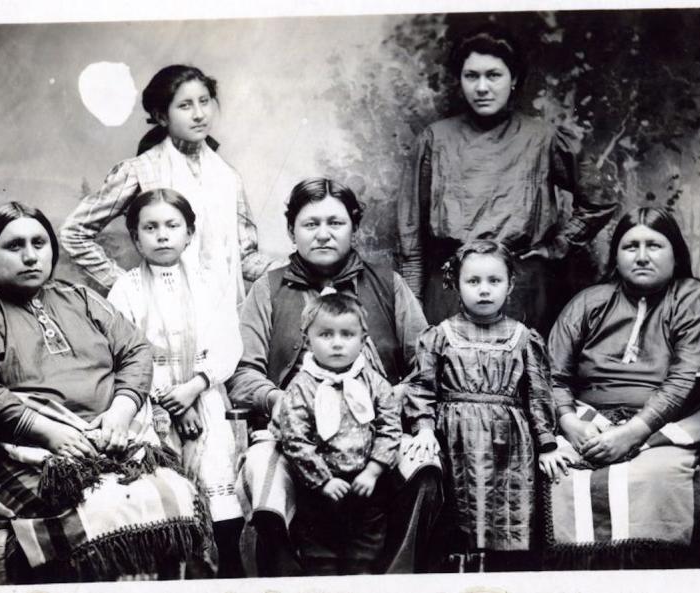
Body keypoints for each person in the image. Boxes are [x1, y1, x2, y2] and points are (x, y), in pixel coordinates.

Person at [0, 202, 215, 581]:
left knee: (176, 495)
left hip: (113, 440)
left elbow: (135, 351)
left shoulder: (80, 298)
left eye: (40, 243)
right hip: (30, 458)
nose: (31, 256)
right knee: (102, 504)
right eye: (14, 246)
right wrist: (50, 433)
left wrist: (121, 410)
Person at [227, 177, 441, 575]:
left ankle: (395, 581)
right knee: (263, 474)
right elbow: (242, 372)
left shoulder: (388, 285)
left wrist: (388, 404)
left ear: (354, 227)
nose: (323, 234)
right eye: (310, 224)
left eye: (335, 223)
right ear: (292, 230)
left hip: (379, 435)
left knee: (425, 469)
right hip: (294, 439)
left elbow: (426, 363)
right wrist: (280, 403)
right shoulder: (267, 289)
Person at [397, 24, 616, 335]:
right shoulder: (435, 140)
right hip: (450, 287)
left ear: (514, 79)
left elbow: (599, 198)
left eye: (494, 75)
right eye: (471, 76)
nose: (482, 87)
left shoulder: (542, 138)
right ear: (459, 81)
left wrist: (558, 246)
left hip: (522, 288)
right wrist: (413, 305)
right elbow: (411, 235)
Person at [546, 206, 700, 568]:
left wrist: (631, 434)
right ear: (616, 255)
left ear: (676, 253)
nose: (642, 256)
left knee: (653, 477)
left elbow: (682, 382)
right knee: (560, 475)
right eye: (631, 247)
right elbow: (551, 374)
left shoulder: (695, 300)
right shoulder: (590, 301)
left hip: (662, 425)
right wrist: (570, 423)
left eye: (654, 246)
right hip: (588, 419)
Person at [403, 239, 576, 572]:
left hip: (509, 445)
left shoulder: (524, 338)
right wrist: (424, 428)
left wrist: (548, 445)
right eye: (473, 281)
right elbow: (421, 388)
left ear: (510, 285)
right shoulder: (439, 336)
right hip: (454, 440)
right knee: (455, 518)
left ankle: (503, 574)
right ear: (455, 284)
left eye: (494, 281)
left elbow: (539, 395)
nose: (484, 290)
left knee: (505, 515)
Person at [105, 189, 244, 577]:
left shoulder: (210, 282)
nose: (162, 235)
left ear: (189, 233)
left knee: (217, 482)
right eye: (150, 228)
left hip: (205, 394)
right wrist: (170, 402)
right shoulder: (126, 290)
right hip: (152, 407)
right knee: (166, 491)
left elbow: (228, 342)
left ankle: (230, 573)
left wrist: (196, 385)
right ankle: (170, 578)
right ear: (135, 238)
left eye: (172, 226)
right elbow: (126, 354)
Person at [60, 64, 275, 303]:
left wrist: (294, 268)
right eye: (185, 105)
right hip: (162, 311)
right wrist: (127, 288)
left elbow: (244, 257)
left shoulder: (228, 176)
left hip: (223, 312)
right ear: (162, 116)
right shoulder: (140, 170)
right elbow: (73, 232)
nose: (199, 114)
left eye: (204, 101)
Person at [277, 293, 402, 575]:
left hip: (367, 486)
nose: (336, 343)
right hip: (319, 489)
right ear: (308, 340)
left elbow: (390, 425)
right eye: (325, 334)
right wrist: (323, 481)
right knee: (320, 558)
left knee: (365, 556)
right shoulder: (301, 387)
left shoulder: (372, 382)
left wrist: (373, 470)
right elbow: (295, 439)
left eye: (347, 334)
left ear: (363, 339)